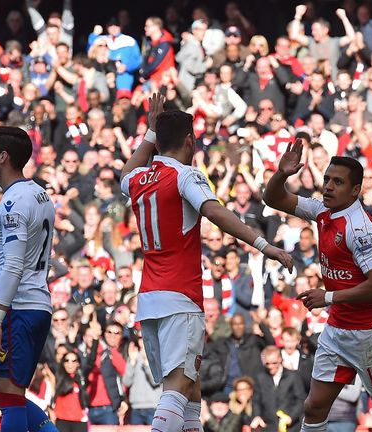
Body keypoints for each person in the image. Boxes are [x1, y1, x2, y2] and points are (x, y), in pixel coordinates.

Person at [119, 94, 293, 432]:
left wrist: (151, 133)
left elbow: (126, 173)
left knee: (190, 383)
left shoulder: (140, 180)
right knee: (178, 386)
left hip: (150, 298)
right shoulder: (186, 176)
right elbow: (214, 211)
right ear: (190, 140)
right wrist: (262, 244)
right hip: (180, 296)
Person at [263, 141, 372, 432]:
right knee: (314, 406)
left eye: (338, 182)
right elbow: (273, 199)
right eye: (328, 179)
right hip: (338, 328)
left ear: (355, 190)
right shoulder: (322, 211)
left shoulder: (361, 229)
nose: (328, 186)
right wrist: (282, 174)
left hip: (370, 332)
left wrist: (328, 296)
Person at [0, 126, 57, 432]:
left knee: (9, 395)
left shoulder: (12, 203)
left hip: (20, 306)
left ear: (3, 156)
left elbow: (12, 264)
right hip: (37, 302)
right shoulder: (40, 195)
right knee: (4, 393)